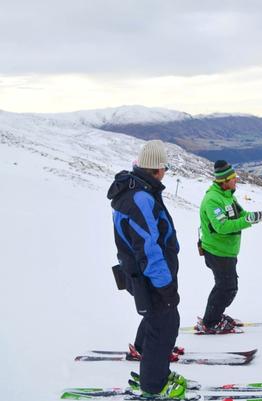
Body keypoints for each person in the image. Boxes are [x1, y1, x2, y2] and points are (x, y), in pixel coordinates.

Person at [107, 140, 185, 398]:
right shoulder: (139, 197)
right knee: (165, 326)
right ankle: (154, 386)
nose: (166, 172)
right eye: (165, 167)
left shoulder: (136, 189)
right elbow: (148, 248)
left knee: (157, 321)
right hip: (150, 277)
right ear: (157, 168)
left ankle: (152, 370)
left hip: (140, 274)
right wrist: (164, 286)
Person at [197, 160, 262, 334]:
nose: (236, 180)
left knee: (226, 286)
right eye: (233, 178)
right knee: (226, 287)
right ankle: (210, 322)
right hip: (217, 251)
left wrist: (258, 215)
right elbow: (222, 226)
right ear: (223, 180)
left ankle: (214, 316)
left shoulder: (227, 195)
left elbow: (241, 216)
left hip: (227, 251)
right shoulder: (212, 200)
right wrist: (248, 221)